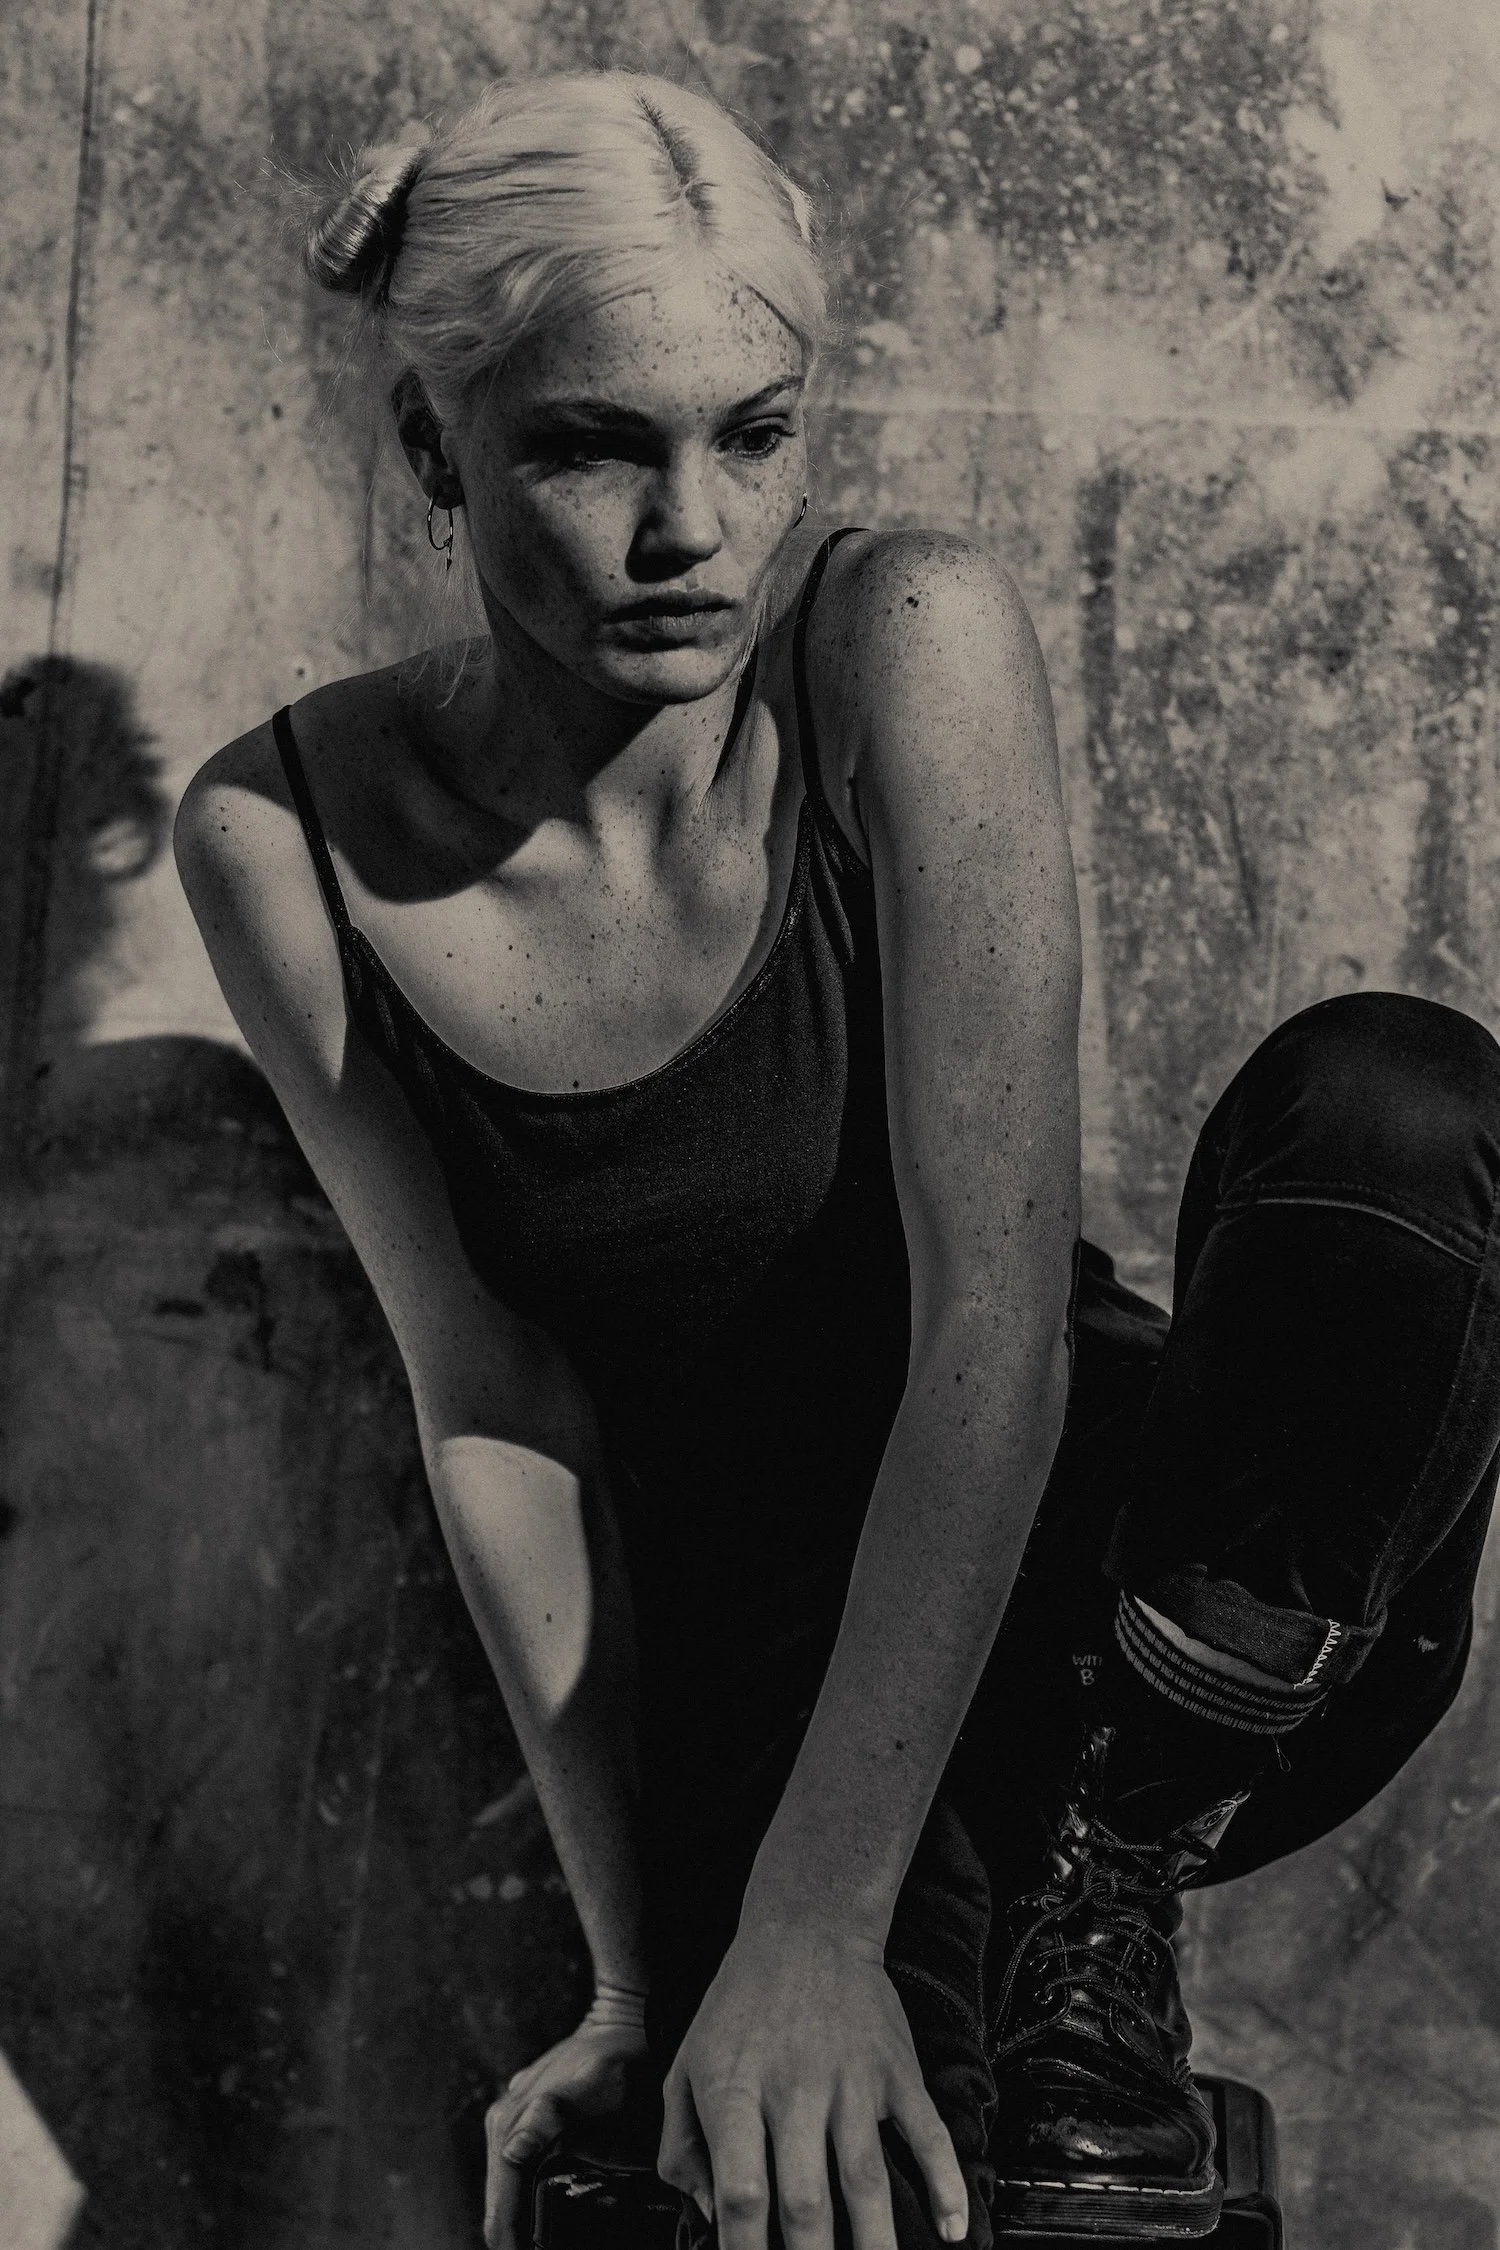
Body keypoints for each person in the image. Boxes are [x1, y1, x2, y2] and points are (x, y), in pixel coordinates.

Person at [174, 68, 1500, 2250]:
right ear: (431, 446)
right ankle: (978, 1949)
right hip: (766, 1669)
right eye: (592, 445)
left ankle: (1111, 1888)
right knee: (834, 2184)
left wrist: (818, 1923)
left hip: (1139, 1590)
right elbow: (496, 1406)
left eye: (755, 433)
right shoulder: (285, 837)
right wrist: (649, 1973)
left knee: (1401, 1107)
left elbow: (992, 1322)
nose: (691, 528)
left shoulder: (901, 638)